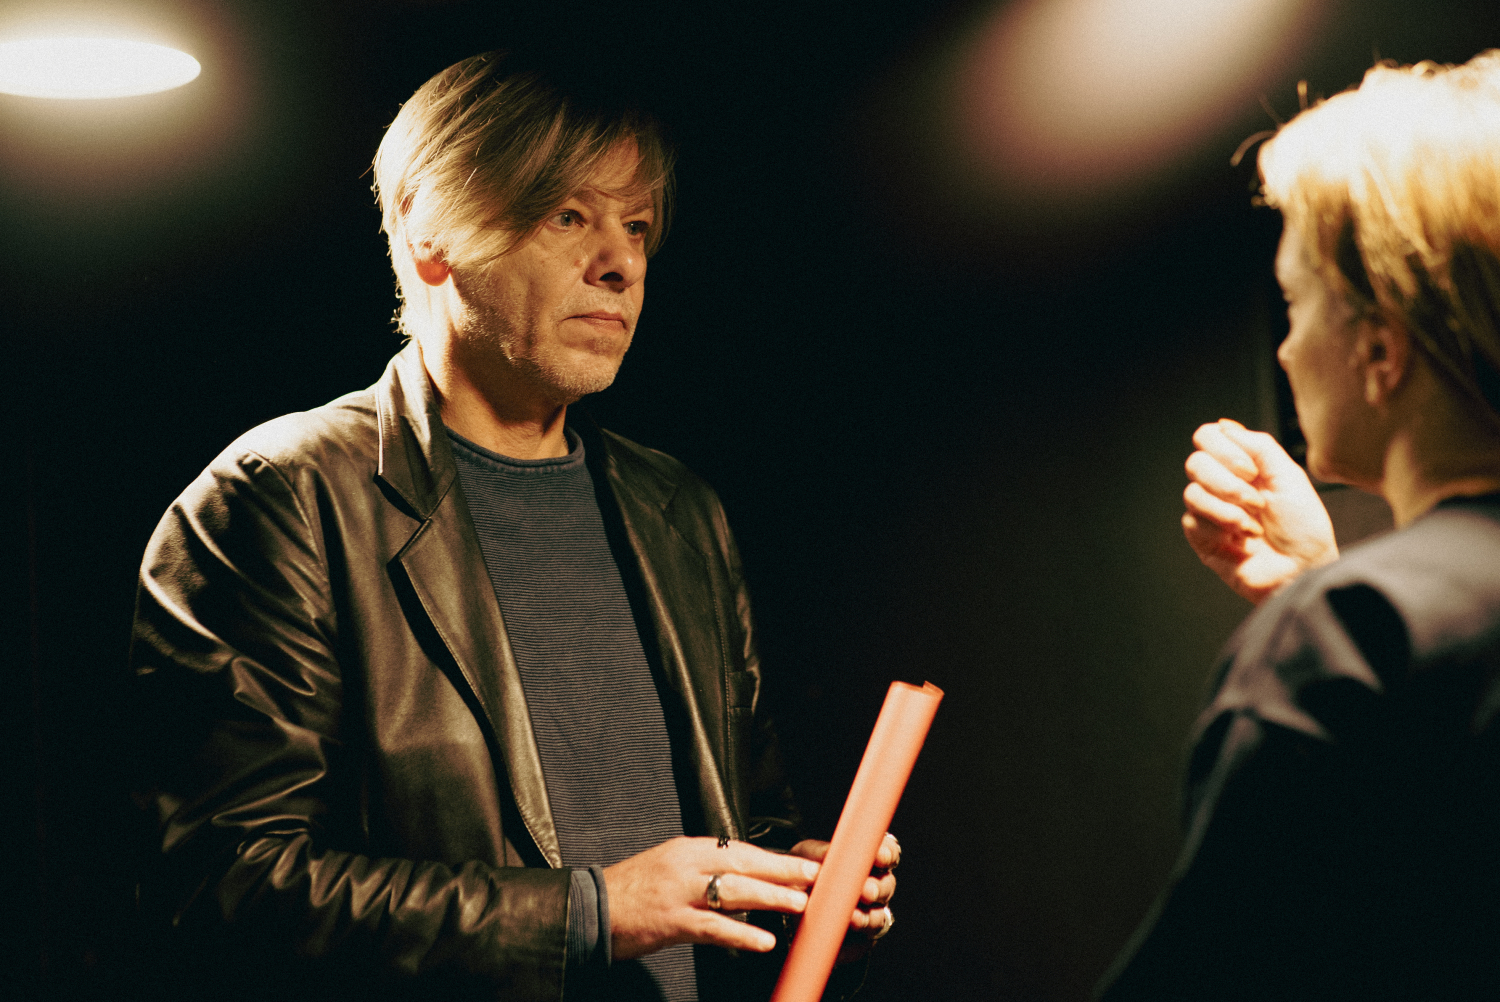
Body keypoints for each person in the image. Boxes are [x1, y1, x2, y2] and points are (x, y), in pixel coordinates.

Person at [128, 51, 896, 1002]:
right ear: (431, 238)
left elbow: (745, 834)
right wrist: (589, 915)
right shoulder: (282, 499)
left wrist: (802, 898)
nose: (621, 263)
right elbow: (227, 887)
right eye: (568, 215)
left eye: (637, 226)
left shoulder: (681, 514)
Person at [1101, 52, 1500, 1000]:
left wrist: (1327, 617)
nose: (1284, 348)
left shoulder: (1349, 634)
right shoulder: (1378, 624)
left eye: (1295, 302)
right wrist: (1313, 580)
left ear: (1380, 348)